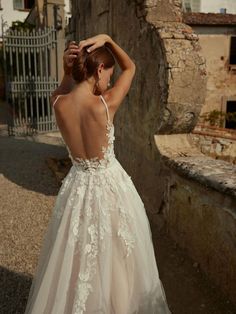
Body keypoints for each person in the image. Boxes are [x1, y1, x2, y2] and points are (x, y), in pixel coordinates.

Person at [24, 34, 172, 314]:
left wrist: (67, 70)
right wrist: (109, 40)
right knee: (116, 255)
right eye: (108, 75)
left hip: (77, 185)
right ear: (99, 69)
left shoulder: (57, 103)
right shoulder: (105, 104)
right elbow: (131, 68)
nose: (109, 82)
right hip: (110, 187)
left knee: (76, 254)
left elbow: (65, 88)